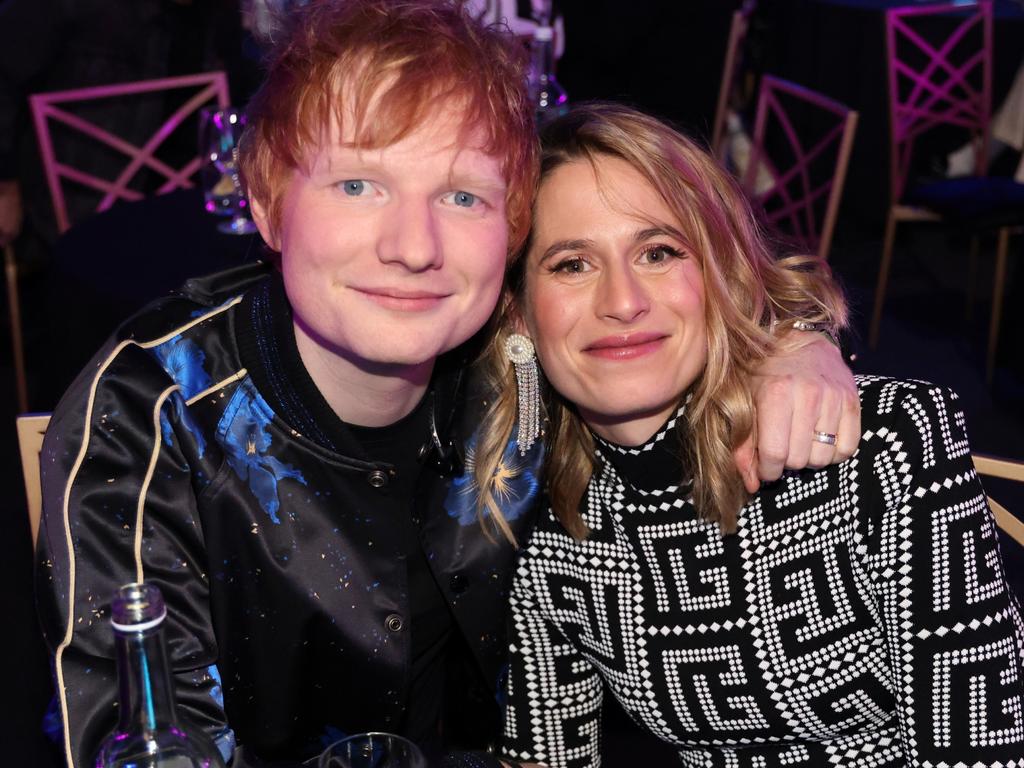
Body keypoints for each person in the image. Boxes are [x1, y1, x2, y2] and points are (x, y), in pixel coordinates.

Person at [35, 3, 857, 767]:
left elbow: (674, 306)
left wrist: (789, 343)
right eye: (358, 185)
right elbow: (145, 735)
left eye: (462, 195)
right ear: (268, 200)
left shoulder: (517, 357)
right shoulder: (156, 408)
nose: (414, 246)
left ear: (512, 230)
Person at [480, 103, 1024, 767]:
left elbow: (977, 753)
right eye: (571, 264)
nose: (622, 301)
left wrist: (799, 334)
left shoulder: (877, 443)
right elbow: (547, 757)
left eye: (658, 252)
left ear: (718, 274)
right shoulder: (532, 516)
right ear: (520, 313)